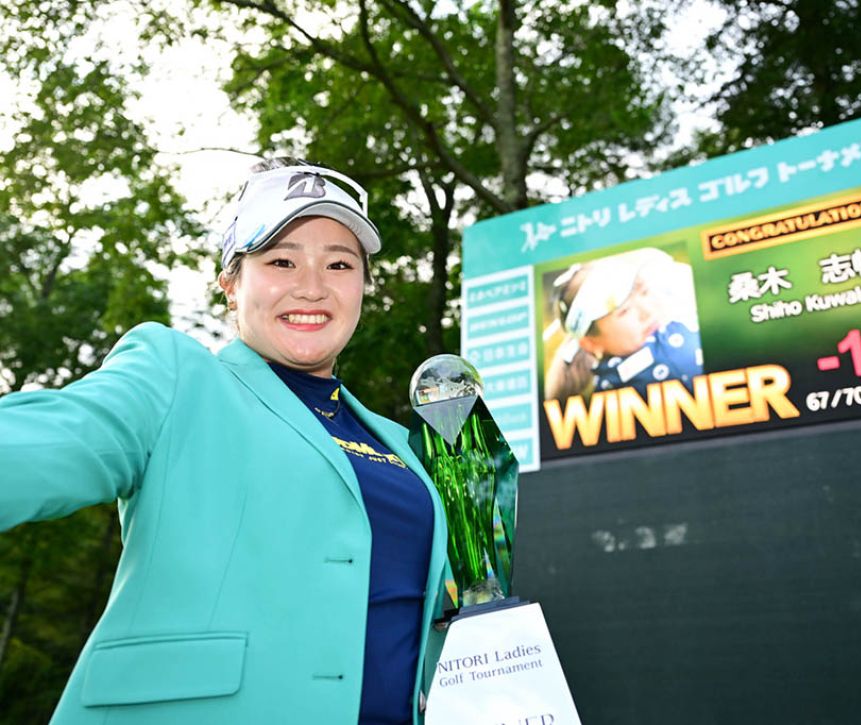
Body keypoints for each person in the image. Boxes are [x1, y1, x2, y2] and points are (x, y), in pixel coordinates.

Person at [0, 158, 449, 724]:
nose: (312, 287)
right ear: (231, 285)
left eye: (339, 264)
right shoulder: (176, 377)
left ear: (362, 287)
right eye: (281, 260)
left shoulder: (403, 445)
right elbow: (52, 439)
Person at [544, 247, 704, 401]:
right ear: (590, 343)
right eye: (624, 311)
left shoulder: (674, 321)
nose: (647, 312)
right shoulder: (617, 396)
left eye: (644, 292)